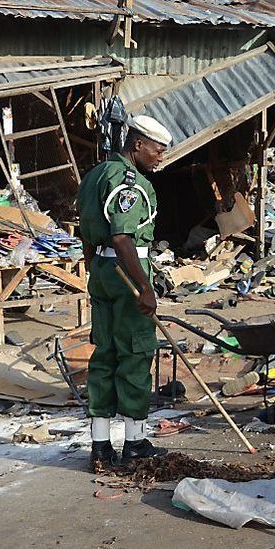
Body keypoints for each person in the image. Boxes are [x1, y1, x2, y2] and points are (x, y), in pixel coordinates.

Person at [77, 115, 172, 470]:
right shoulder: (130, 182)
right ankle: (134, 443)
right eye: (157, 149)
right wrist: (145, 288)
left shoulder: (95, 175)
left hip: (103, 271)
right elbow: (121, 236)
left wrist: (93, 270)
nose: (161, 156)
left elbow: (87, 232)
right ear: (138, 145)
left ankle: (100, 446)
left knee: (104, 354)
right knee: (134, 354)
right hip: (128, 273)